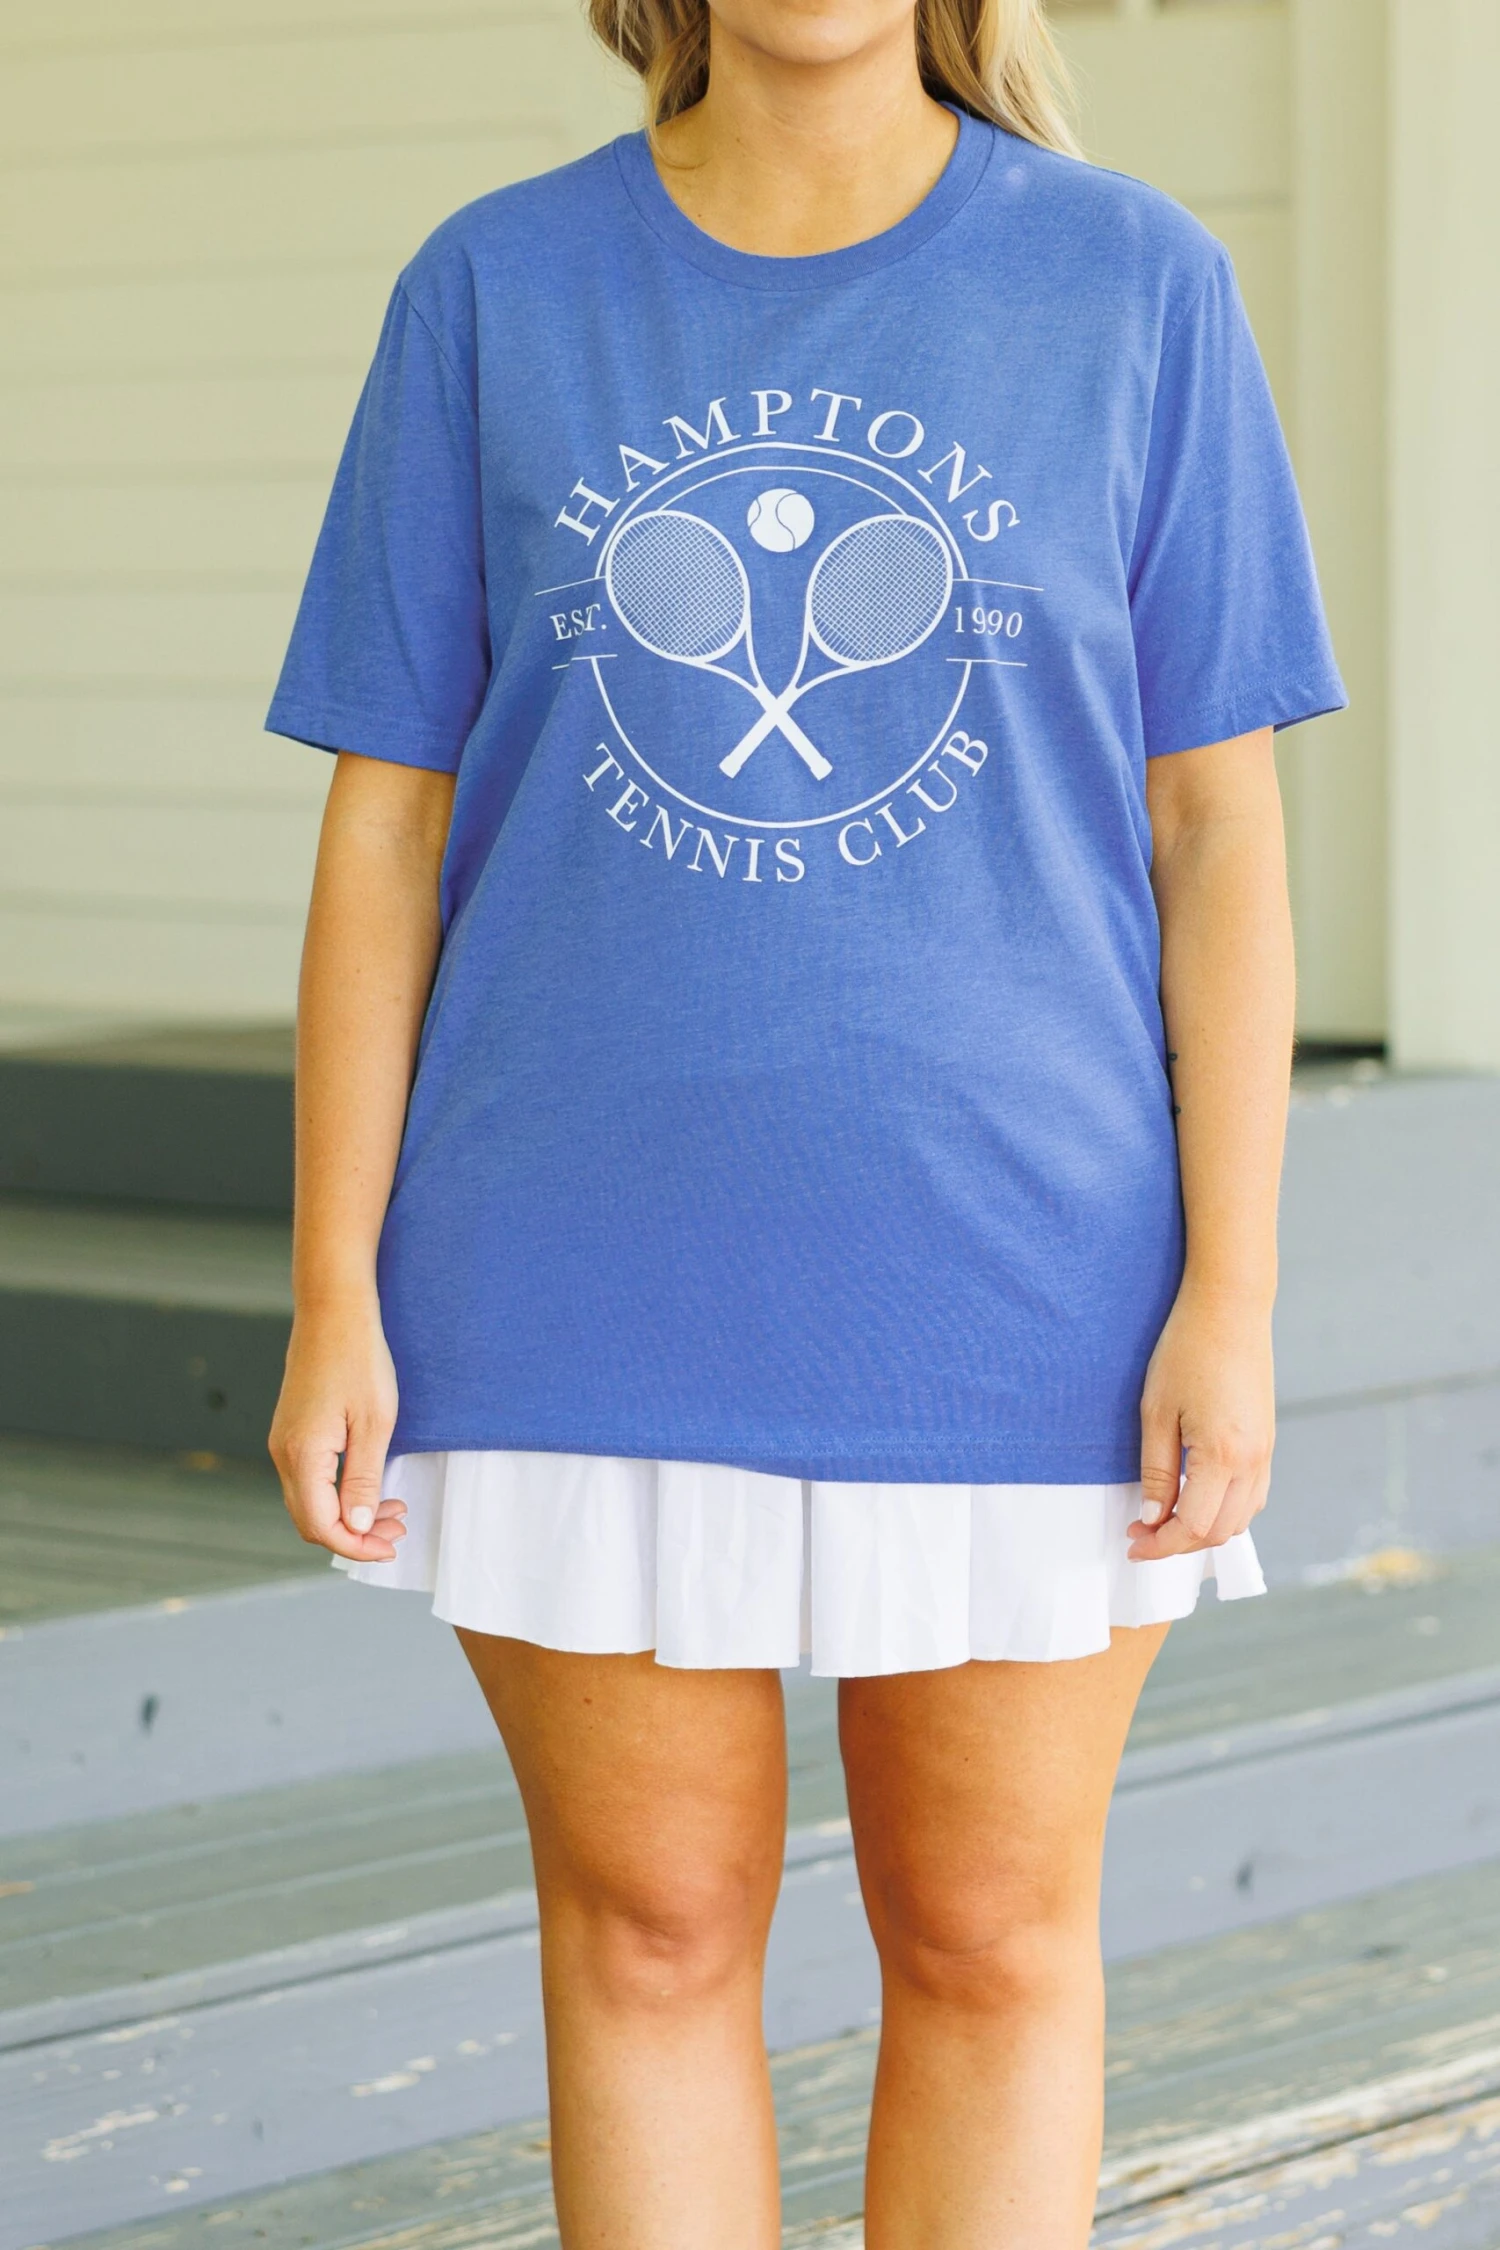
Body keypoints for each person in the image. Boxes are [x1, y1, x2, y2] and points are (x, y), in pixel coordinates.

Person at [265, 0, 1345, 2239]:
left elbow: (1220, 835)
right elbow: (385, 831)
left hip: (1027, 1284)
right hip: (563, 1273)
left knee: (991, 1942)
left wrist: (1233, 1290)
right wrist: (334, 1284)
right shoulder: (493, 291)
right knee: (649, 1940)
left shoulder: (1137, 285)